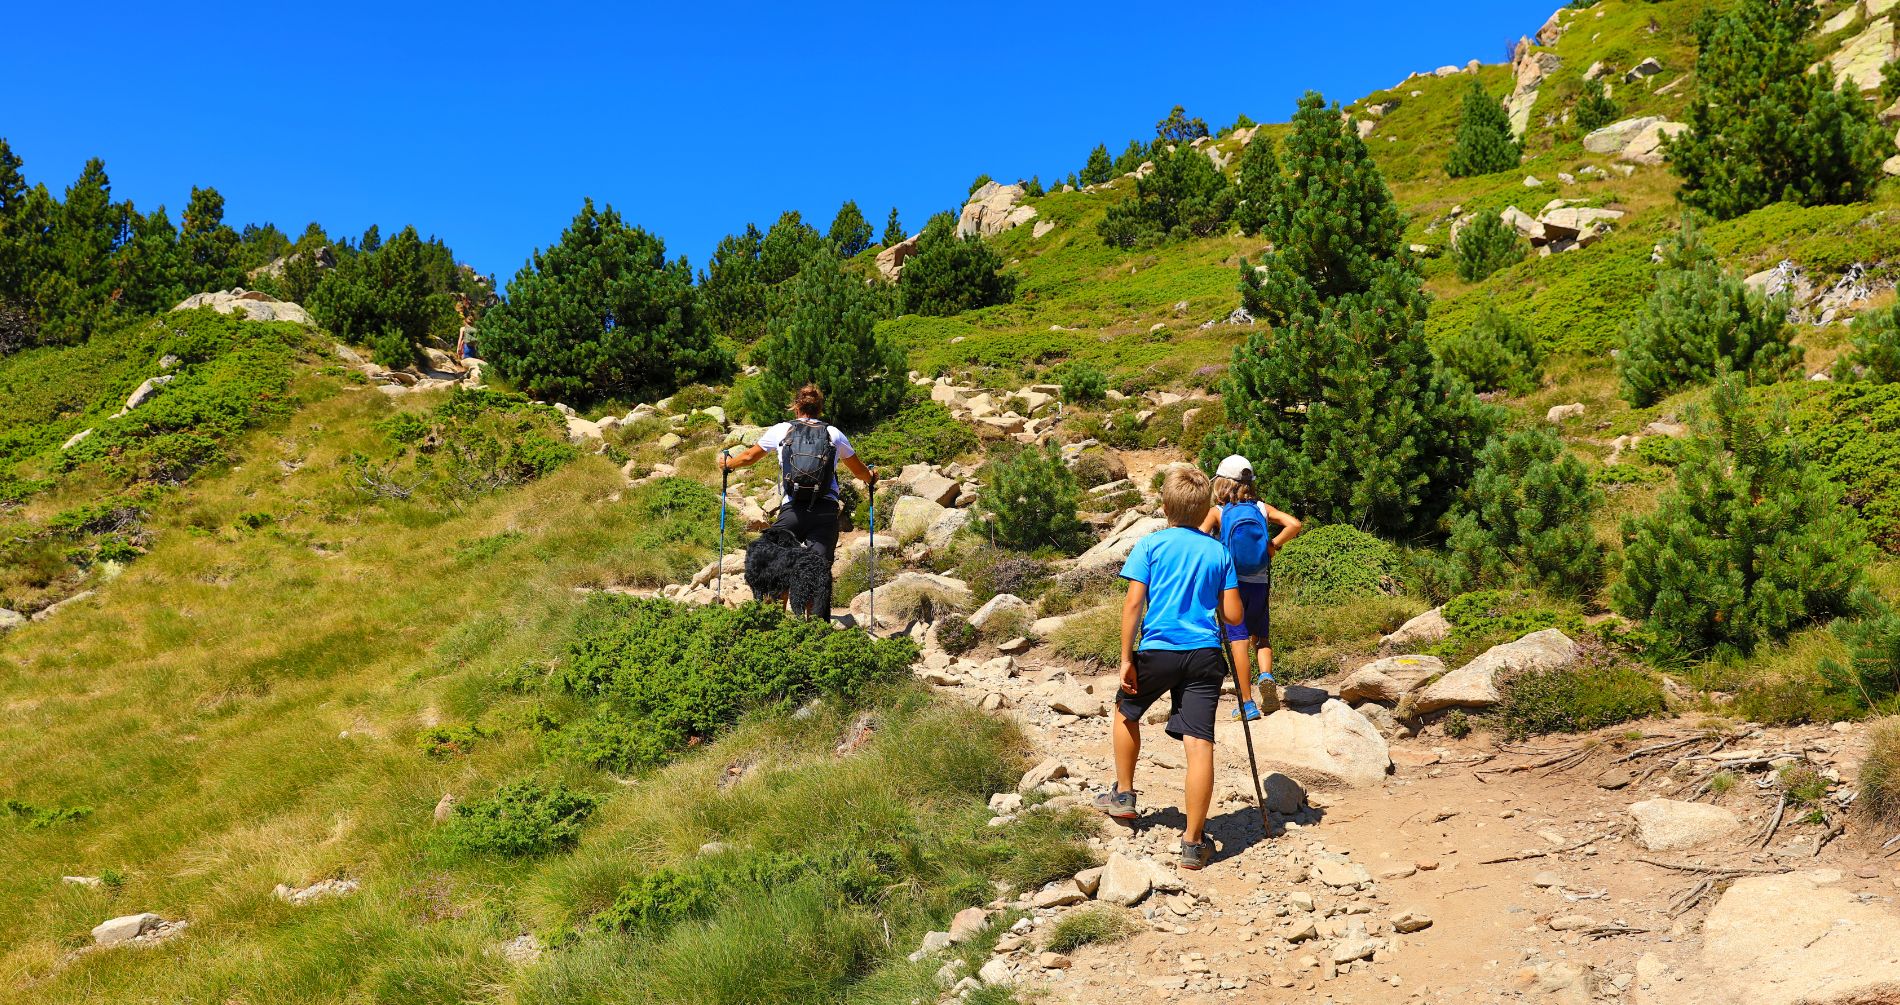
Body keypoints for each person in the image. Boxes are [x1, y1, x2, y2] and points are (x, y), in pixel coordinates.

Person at [1094, 464, 1244, 871]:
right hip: (1204, 655)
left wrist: (1127, 657)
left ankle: (1123, 795)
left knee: (1126, 712)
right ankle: (1194, 844)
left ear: (1164, 506)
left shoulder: (1151, 545)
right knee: (1200, 744)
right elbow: (1232, 615)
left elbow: (1132, 605)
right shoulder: (1219, 552)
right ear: (1205, 508)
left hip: (1157, 650)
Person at [717, 383, 877, 617]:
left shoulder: (781, 430)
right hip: (824, 512)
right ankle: (812, 630)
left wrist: (727, 464)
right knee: (817, 568)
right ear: (820, 408)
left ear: (795, 406)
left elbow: (750, 457)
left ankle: (774, 621)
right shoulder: (834, 434)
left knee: (776, 561)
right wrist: (872, 476)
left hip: (791, 510)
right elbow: (861, 473)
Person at [1200, 455, 1303, 721]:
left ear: (1221, 483)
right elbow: (1295, 524)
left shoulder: (1218, 512)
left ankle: (1247, 703)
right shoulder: (1261, 508)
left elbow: (1198, 540)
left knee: (1238, 639)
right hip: (1259, 582)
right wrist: (1272, 547)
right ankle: (1266, 676)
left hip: (1231, 586)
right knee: (1262, 637)